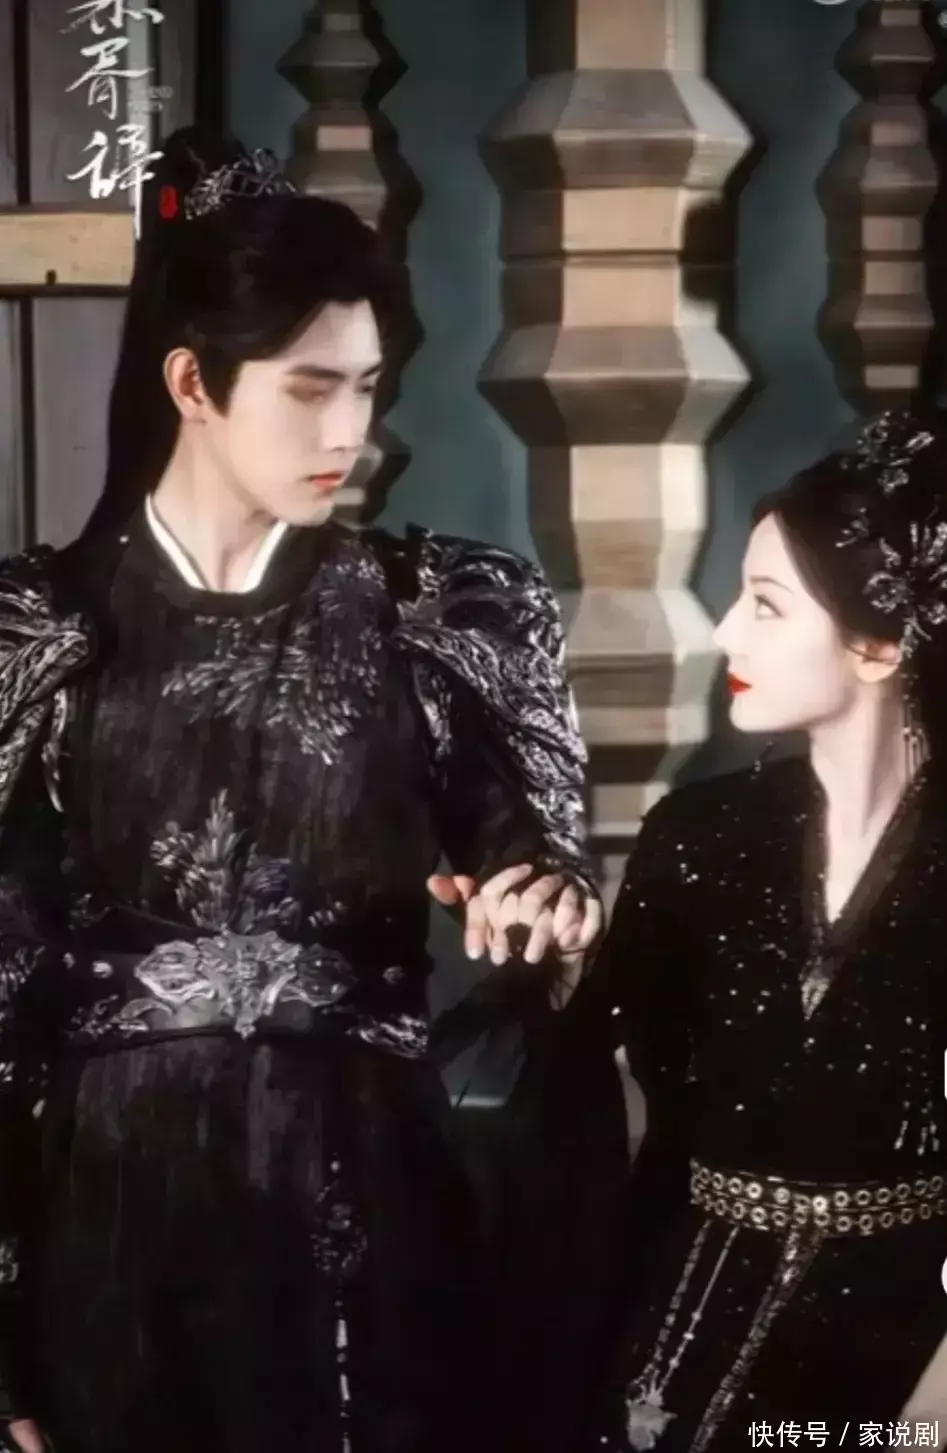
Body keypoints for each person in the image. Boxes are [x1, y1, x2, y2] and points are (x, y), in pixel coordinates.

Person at [0, 128, 602, 1453]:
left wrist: (537, 898)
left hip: (367, 1206)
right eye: (308, 389)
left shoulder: (435, 608)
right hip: (113, 1218)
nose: (349, 433)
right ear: (193, 382)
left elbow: (527, 835)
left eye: (367, 388)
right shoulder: (39, 629)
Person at [495, 409, 947, 1452]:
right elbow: (630, 1096)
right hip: (676, 1313)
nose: (723, 632)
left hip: (897, 1347)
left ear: (877, 644)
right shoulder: (698, 833)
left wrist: (929, 1408)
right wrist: (569, 966)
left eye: (764, 604)